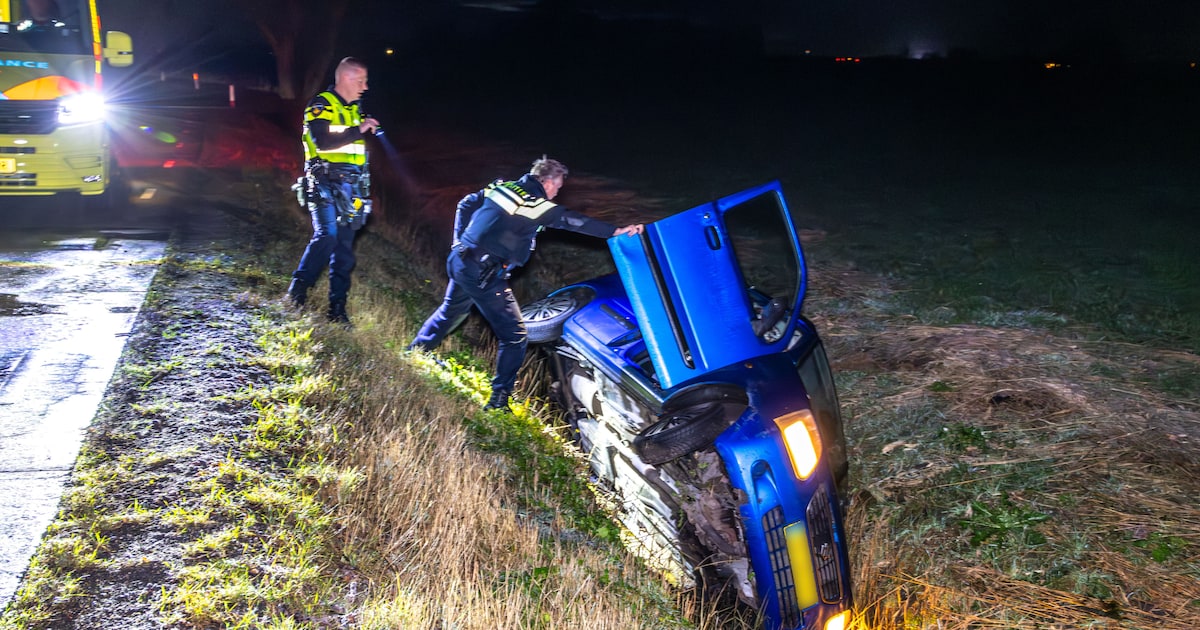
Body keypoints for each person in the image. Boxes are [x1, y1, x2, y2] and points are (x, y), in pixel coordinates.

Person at [409, 157, 644, 412]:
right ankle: (498, 401)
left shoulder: (502, 188)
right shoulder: (535, 204)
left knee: (451, 310)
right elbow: (572, 221)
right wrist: (615, 231)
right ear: (548, 181)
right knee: (515, 336)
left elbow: (466, 203)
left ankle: (416, 350)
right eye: (558, 187)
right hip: (484, 273)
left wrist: (460, 240)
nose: (557, 193)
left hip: (460, 261)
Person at [285, 57, 381, 324]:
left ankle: (337, 309)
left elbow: (356, 153)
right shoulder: (321, 104)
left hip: (351, 188)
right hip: (324, 182)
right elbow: (322, 141)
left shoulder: (355, 109)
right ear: (346, 78)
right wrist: (359, 129)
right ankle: (296, 294)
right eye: (361, 80)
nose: (365, 87)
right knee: (326, 236)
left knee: (344, 250)